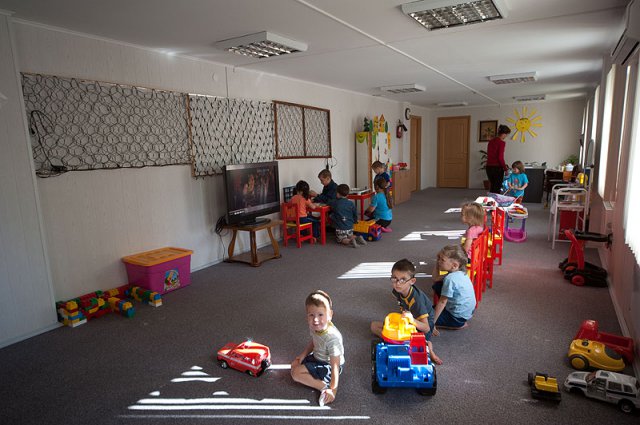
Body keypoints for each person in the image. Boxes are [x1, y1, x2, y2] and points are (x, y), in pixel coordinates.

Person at [370, 259, 442, 365]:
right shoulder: (398, 291)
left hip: (419, 324)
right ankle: (399, 342)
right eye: (394, 278)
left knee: (424, 342)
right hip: (408, 320)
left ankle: (428, 350)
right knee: (373, 326)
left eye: (403, 280)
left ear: (412, 281)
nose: (397, 283)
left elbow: (426, 328)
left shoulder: (416, 301)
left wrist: (412, 320)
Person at [291, 290, 344, 407]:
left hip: (328, 365)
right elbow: (314, 342)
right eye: (311, 315)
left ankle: (323, 387)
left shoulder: (332, 338)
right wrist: (303, 355)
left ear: (330, 315)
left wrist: (333, 390)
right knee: (294, 365)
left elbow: (335, 366)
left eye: (320, 315)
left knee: (295, 374)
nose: (315, 320)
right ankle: (318, 380)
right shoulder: (316, 327)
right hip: (317, 357)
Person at [431, 245, 476, 335]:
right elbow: (436, 278)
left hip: (456, 318)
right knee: (438, 285)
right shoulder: (461, 272)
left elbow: (442, 302)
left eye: (442, 260)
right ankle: (456, 319)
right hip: (465, 313)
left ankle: (456, 324)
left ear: (454, 265)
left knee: (424, 319)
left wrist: (431, 323)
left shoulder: (450, 279)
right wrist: (437, 260)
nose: (439, 261)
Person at [329, 184, 367, 248]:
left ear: (338, 194)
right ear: (347, 194)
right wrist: (355, 221)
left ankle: (350, 241)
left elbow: (330, 205)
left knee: (342, 239)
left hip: (340, 227)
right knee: (350, 235)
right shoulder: (351, 203)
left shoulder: (335, 203)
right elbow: (355, 214)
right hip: (350, 226)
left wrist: (331, 216)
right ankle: (357, 237)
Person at [485, 124, 511, 193]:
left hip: (488, 167)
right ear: (504, 134)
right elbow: (500, 157)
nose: (506, 136)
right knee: (497, 188)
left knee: (492, 186)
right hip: (497, 168)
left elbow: (489, 154)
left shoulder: (490, 142)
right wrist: (505, 169)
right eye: (506, 134)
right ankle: (495, 199)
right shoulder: (501, 143)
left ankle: (491, 199)